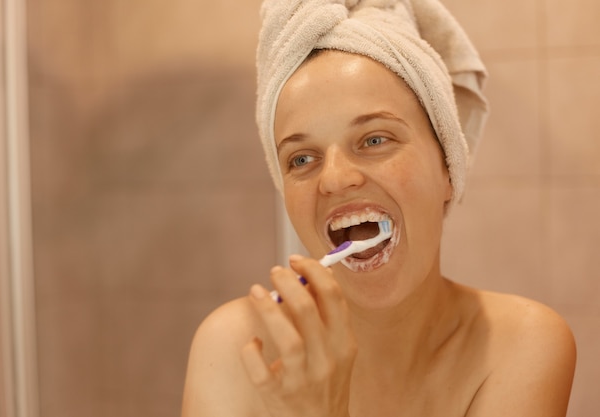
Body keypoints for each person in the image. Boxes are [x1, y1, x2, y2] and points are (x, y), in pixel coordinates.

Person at [181, 1, 576, 416]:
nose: (334, 179)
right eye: (301, 159)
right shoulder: (234, 348)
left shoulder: (520, 344)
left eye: (374, 139)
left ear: (448, 168)